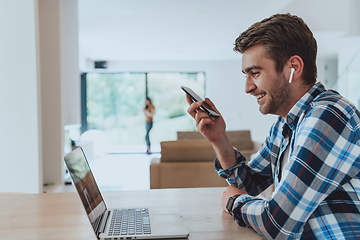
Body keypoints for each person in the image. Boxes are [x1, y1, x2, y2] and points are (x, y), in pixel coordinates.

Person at [186, 13, 360, 239]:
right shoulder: (285, 125)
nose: (248, 87)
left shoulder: (328, 116)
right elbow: (251, 183)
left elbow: (277, 223)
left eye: (255, 73)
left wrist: (234, 202)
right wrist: (219, 139)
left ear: (293, 68)